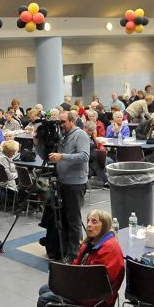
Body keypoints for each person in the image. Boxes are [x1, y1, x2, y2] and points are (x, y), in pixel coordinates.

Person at [32, 210, 125, 307]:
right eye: (88, 221)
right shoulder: (91, 242)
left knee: (45, 300)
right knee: (45, 289)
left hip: (97, 295)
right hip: (83, 286)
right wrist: (67, 277)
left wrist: (71, 282)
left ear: (105, 225)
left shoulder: (110, 249)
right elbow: (76, 265)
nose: (88, 225)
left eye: (94, 222)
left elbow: (102, 282)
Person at [43, 111, 90, 260]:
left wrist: (62, 156)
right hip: (64, 182)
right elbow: (50, 157)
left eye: (63, 122)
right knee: (63, 217)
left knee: (73, 220)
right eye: (60, 122)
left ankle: (74, 254)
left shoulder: (80, 135)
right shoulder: (63, 137)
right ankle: (64, 249)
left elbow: (84, 156)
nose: (61, 125)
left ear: (72, 121)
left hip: (75, 184)